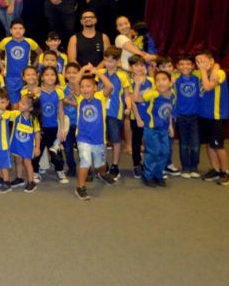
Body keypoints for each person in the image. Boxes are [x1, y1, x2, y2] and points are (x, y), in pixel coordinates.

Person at [74, 70, 116, 201]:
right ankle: (81, 187)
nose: (85, 89)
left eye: (88, 86)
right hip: (83, 137)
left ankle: (102, 174)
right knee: (85, 161)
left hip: (98, 139)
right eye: (83, 86)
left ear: (95, 87)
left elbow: (109, 86)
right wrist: (83, 69)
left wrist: (97, 72)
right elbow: (75, 82)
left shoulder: (100, 96)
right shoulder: (80, 97)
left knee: (100, 163)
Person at [196, 50, 229, 185]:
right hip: (203, 115)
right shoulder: (199, 73)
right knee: (209, 145)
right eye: (198, 62)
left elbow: (208, 87)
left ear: (211, 61)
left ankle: (226, 171)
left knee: (218, 145)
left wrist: (209, 69)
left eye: (203, 61)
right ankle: (215, 169)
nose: (200, 64)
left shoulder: (219, 73)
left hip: (217, 116)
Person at [134, 70, 174, 188]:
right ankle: (148, 175)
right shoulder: (153, 94)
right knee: (154, 153)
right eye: (158, 80)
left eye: (164, 79)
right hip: (152, 130)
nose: (161, 83)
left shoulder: (172, 94)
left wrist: (170, 125)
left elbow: (169, 111)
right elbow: (137, 99)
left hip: (164, 129)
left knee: (165, 152)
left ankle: (158, 174)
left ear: (170, 82)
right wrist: (137, 84)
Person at [100, 47, 131, 180]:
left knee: (115, 140)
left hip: (115, 113)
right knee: (100, 140)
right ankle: (102, 164)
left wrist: (128, 107)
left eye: (112, 61)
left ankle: (115, 165)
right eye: (106, 60)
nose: (108, 63)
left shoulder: (123, 76)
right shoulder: (100, 73)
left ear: (118, 62)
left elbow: (127, 95)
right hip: (100, 113)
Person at [0, 19, 40, 103]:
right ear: (10, 30)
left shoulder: (29, 42)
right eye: (15, 28)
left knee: (27, 103)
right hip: (10, 77)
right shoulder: (5, 41)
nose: (18, 31)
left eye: (20, 28)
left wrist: (33, 67)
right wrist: (2, 68)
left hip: (27, 78)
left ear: (24, 30)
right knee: (14, 104)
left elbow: (40, 53)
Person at [174, 54, 201, 178]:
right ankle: (185, 168)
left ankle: (194, 167)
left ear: (193, 66)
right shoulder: (175, 79)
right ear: (178, 67)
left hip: (195, 116)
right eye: (182, 64)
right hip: (181, 116)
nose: (185, 66)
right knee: (184, 143)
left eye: (188, 64)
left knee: (195, 143)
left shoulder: (198, 78)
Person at [9, 96, 40, 193]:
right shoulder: (16, 115)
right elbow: (4, 114)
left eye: (23, 104)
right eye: (20, 102)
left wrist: (37, 147)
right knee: (17, 161)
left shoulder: (33, 120)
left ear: (30, 108)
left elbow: (37, 134)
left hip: (28, 146)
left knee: (27, 163)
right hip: (17, 144)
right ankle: (19, 178)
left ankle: (31, 182)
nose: (19, 104)